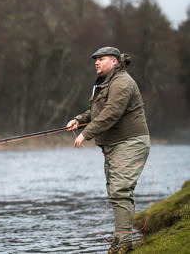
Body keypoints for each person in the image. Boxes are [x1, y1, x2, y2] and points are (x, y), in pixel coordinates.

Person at [66, 47, 150, 254]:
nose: (96, 62)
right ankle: (120, 241)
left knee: (120, 191)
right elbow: (97, 112)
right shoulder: (105, 83)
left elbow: (112, 112)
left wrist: (86, 134)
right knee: (116, 192)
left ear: (114, 61)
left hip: (130, 142)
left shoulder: (123, 82)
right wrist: (79, 120)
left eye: (101, 59)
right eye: (95, 59)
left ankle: (123, 244)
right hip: (115, 144)